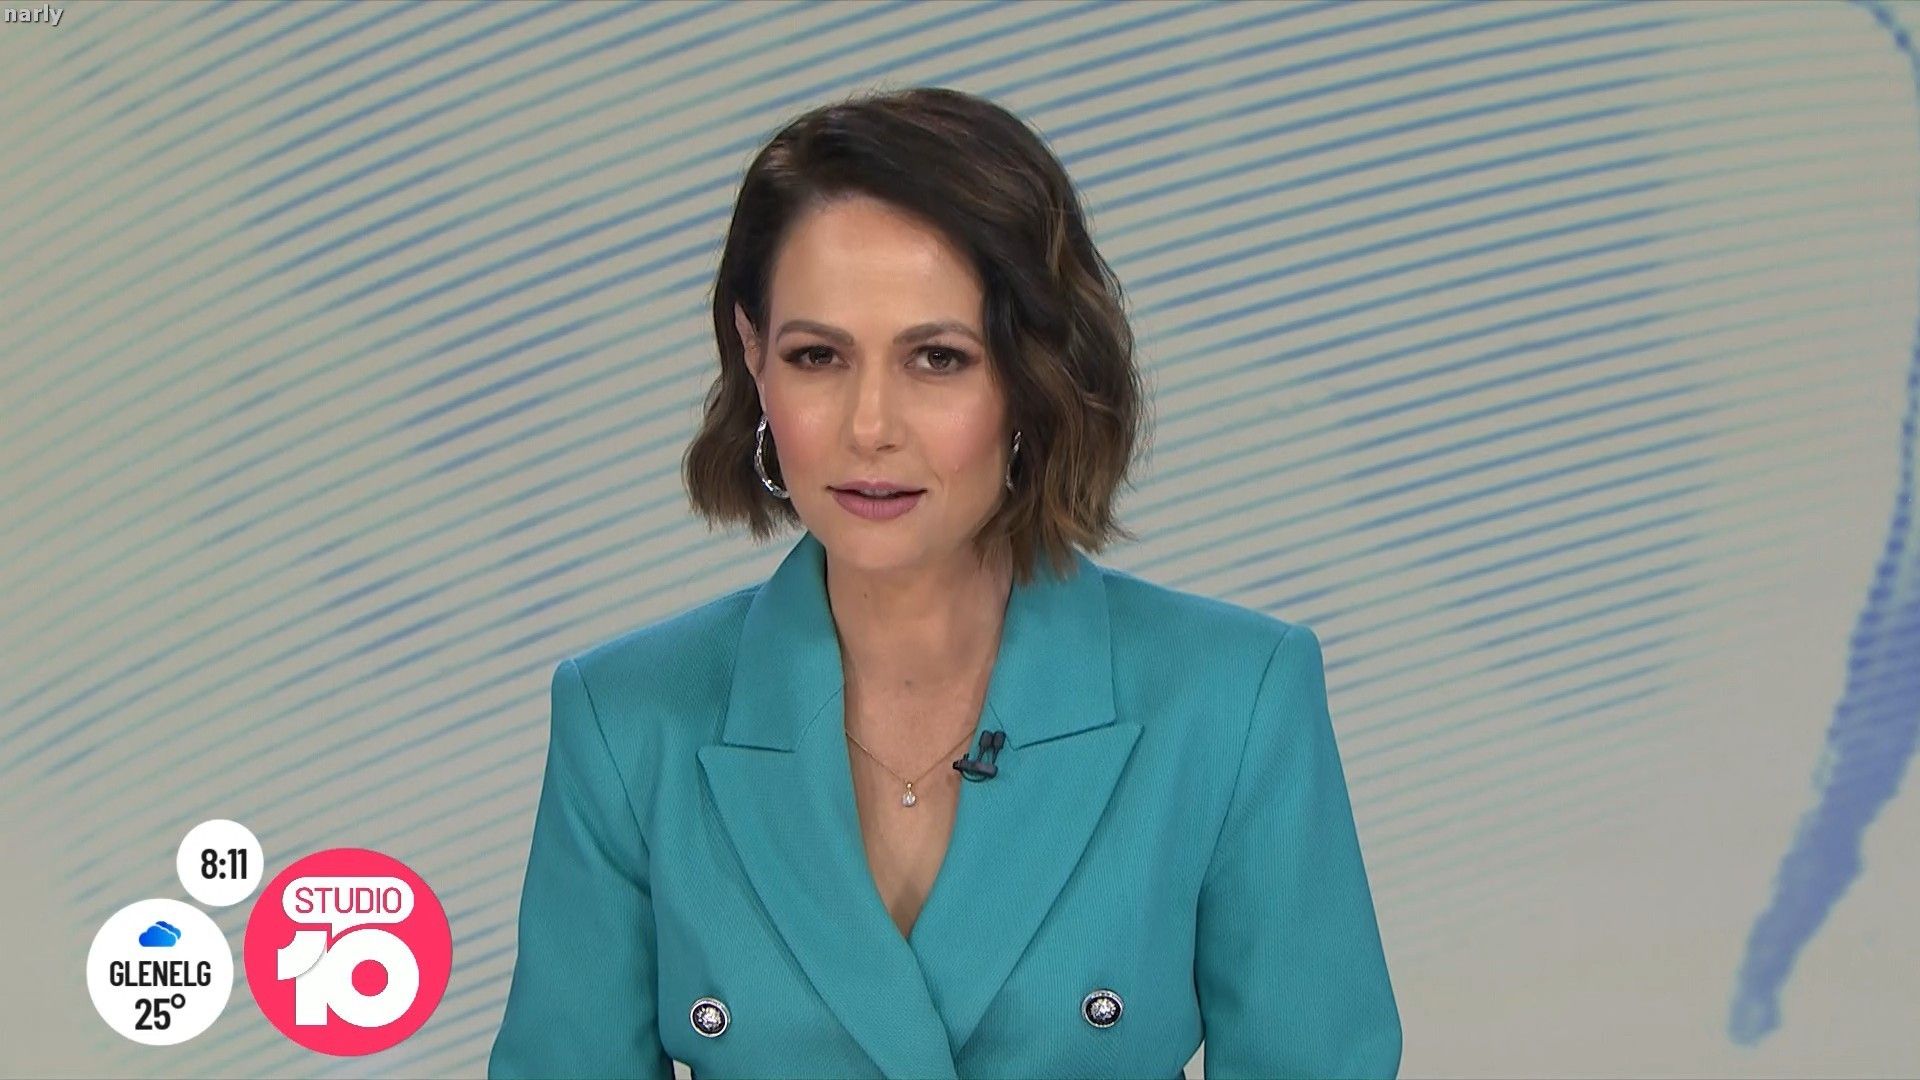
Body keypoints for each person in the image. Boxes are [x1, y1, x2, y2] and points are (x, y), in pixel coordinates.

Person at [488, 85, 1400, 1080]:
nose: (870, 426)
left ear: (1033, 374)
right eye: (817, 356)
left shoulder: (1234, 699)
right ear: (754, 356)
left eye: (936, 358)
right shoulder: (625, 722)